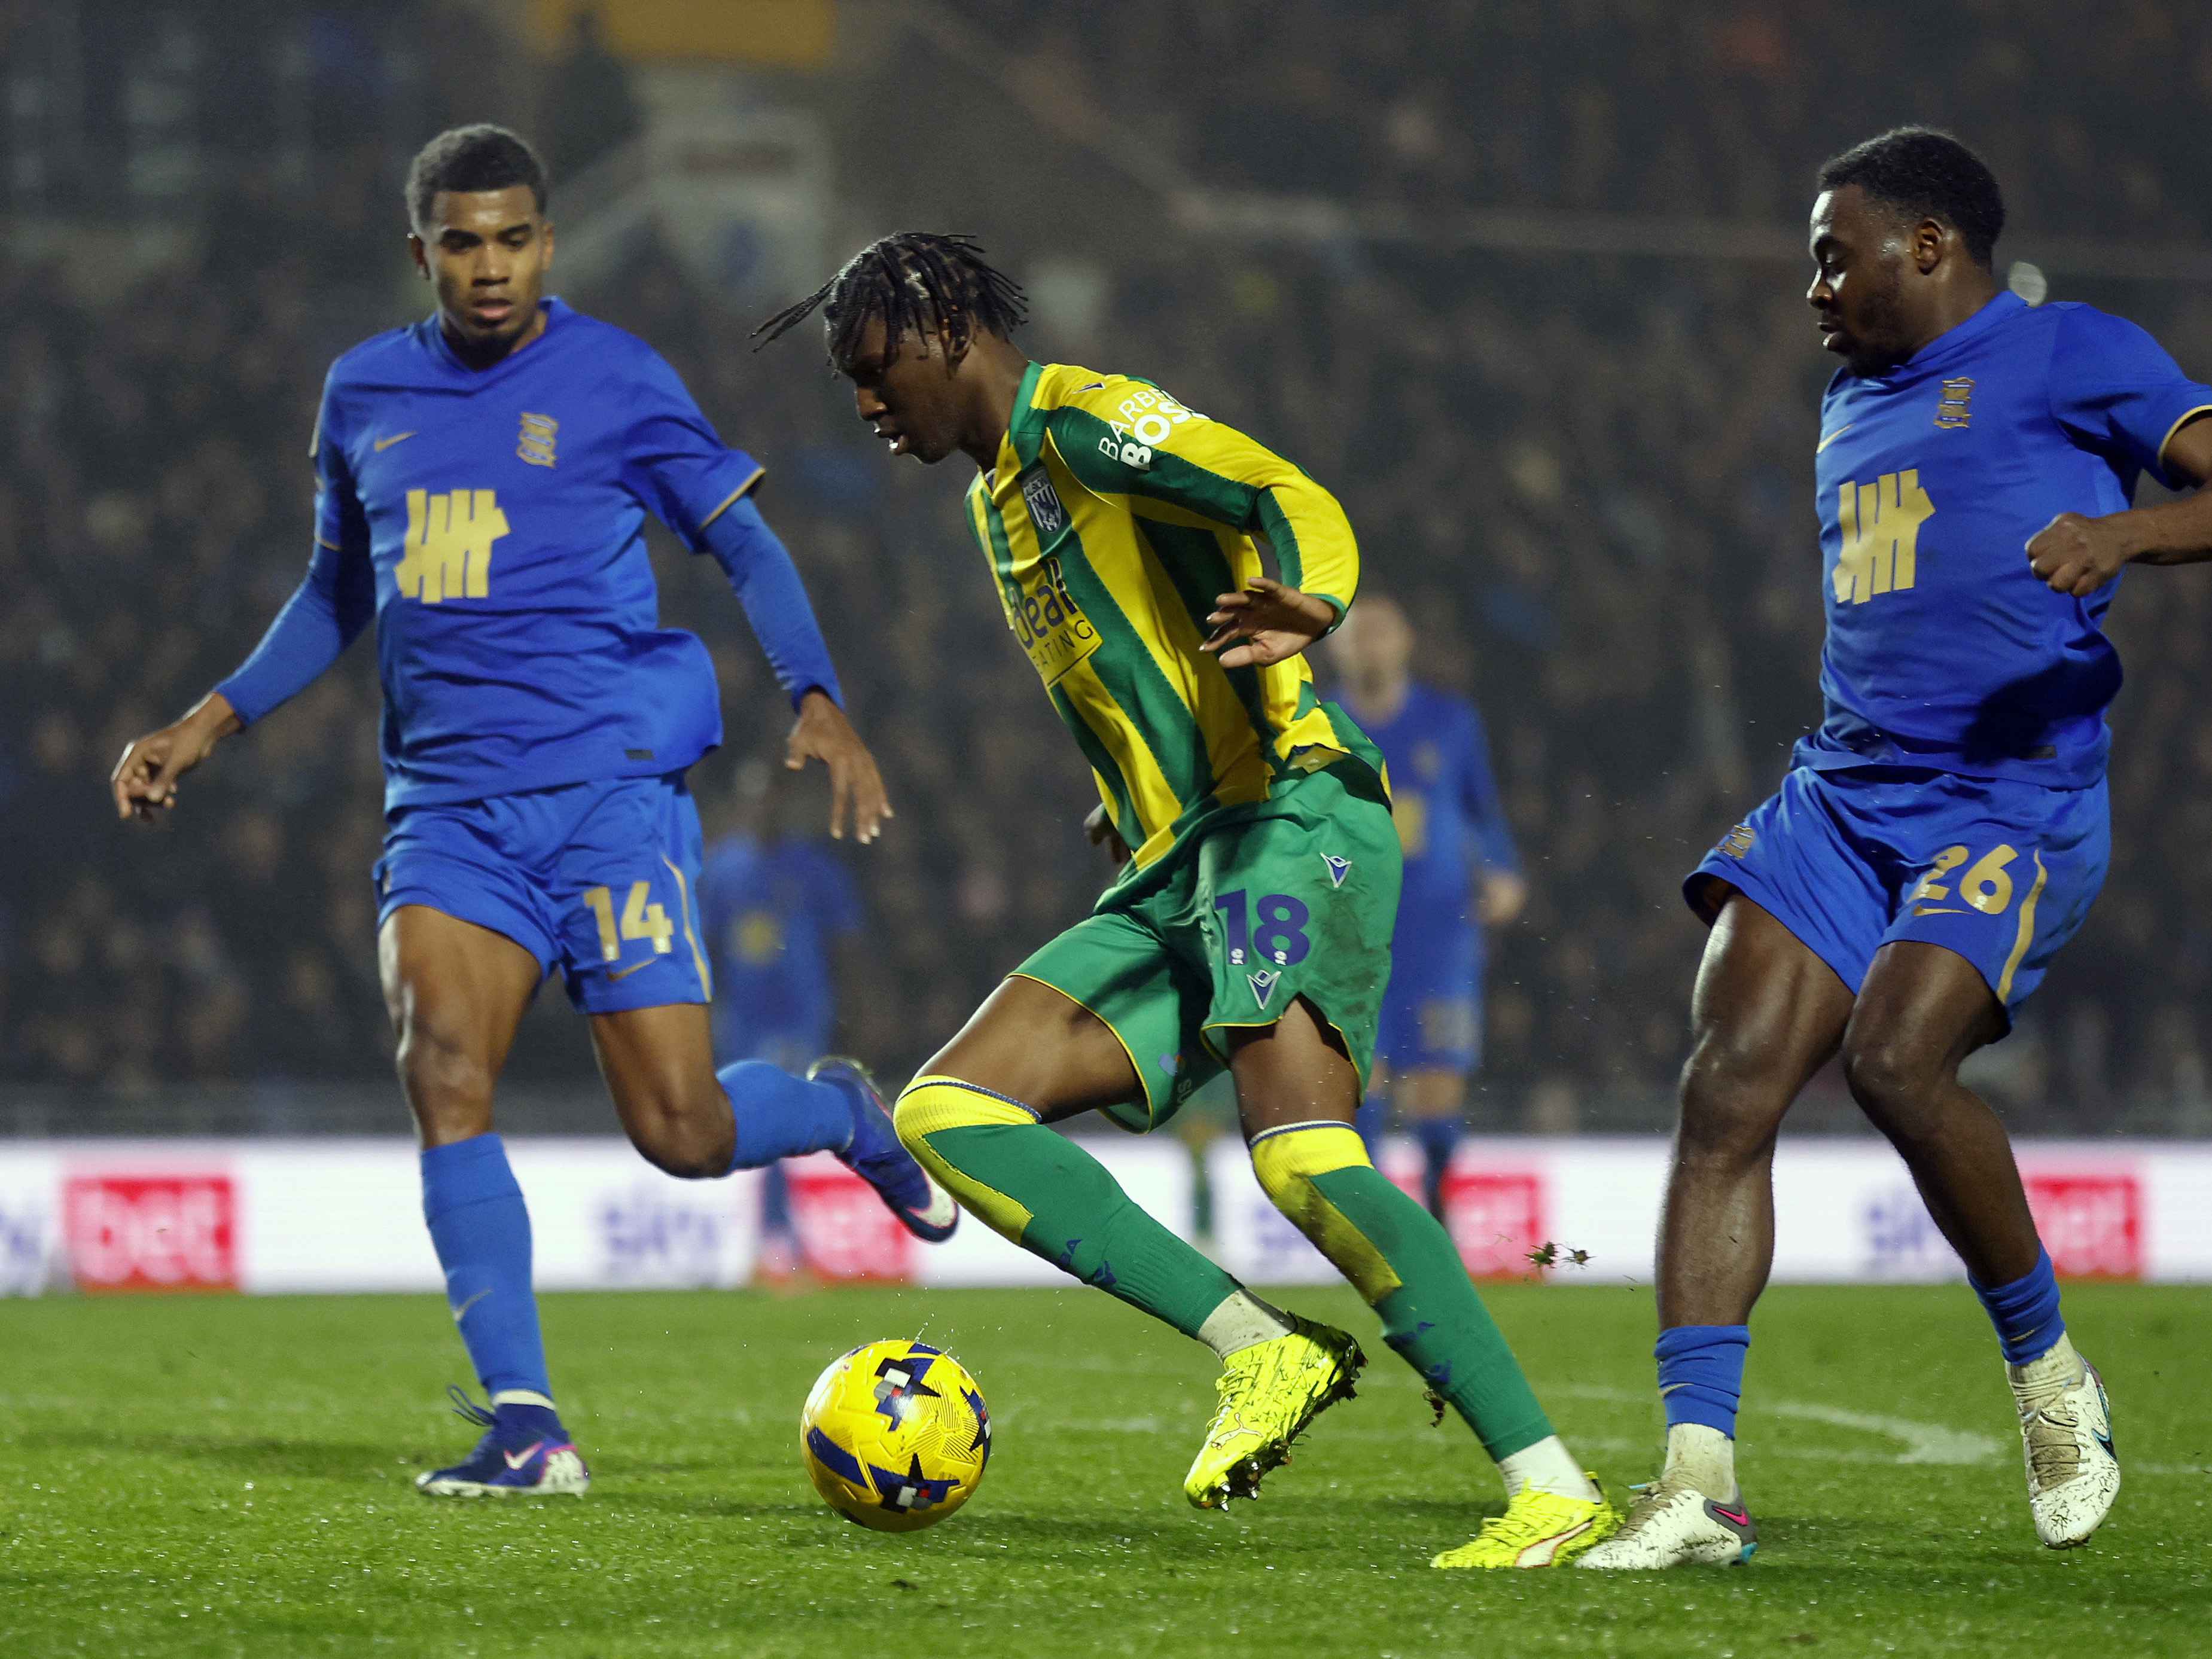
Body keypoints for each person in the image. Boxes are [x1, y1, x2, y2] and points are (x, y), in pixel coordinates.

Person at [108, 126, 955, 1499]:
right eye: (461, 243)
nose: (489, 267)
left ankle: (841, 1112)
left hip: (612, 799)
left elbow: (738, 534)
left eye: (512, 239)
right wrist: (205, 722)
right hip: (448, 809)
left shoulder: (617, 377)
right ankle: (526, 1422)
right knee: (441, 1059)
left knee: (680, 1134)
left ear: (548, 243)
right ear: (421, 253)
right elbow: (336, 592)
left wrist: (817, 693)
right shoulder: (361, 392)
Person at [756, 233, 1617, 1568]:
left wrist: (1311, 600)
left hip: (1286, 811)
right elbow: (1126, 669)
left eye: (875, 370)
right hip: (1180, 861)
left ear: (942, 329)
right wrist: (1124, 793)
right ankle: (1261, 1350)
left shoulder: (1090, 424)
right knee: (949, 1109)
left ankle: (1550, 1484)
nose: (867, 403)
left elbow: (1281, 487)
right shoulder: (994, 502)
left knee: (1300, 1158)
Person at [1581, 127, 2212, 1569]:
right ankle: (1695, 1483)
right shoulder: (1848, 397)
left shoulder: (2068, 355)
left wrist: (2129, 540)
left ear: (1925, 246)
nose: (1812, 286)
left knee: (1891, 1061)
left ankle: (2050, 1378)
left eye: (1830, 253)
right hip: (1844, 792)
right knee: (1726, 1082)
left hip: (2008, 797)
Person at [1326, 594, 1525, 1215]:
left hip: (1437, 930)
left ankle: (1437, 1211)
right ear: (1335, 646)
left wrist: (1502, 870)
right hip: (1349, 930)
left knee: (1436, 1087)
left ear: (1406, 640)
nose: (1368, 645)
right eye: (1356, 634)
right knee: (1364, 1087)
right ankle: (1383, 1229)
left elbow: (1480, 808)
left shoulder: (1450, 721)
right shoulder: (1316, 725)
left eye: (1380, 632)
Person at [697, 760, 868, 1273]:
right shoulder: (723, 869)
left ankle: (781, 1240)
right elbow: (704, 946)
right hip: (745, 1021)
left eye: (774, 797)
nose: (766, 807)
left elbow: (845, 942)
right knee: (761, 1129)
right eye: (757, 797)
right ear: (744, 804)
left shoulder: (814, 867)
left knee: (786, 1128)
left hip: (803, 1015)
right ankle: (780, 1239)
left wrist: (855, 1007)